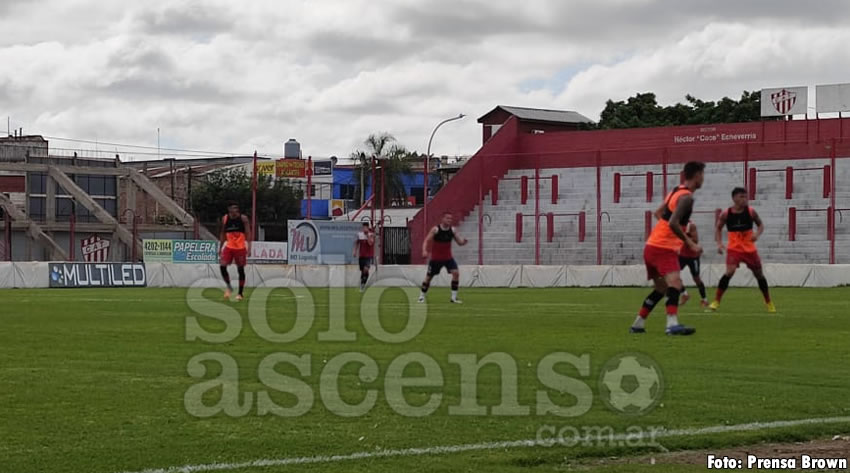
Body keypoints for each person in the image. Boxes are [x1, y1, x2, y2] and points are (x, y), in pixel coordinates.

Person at [630, 161, 705, 335]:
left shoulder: (675, 191)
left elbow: (658, 214)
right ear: (696, 175)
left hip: (651, 245)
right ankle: (671, 325)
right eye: (702, 175)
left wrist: (666, 233)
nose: (703, 179)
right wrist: (690, 243)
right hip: (663, 248)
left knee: (662, 289)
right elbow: (673, 223)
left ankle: (638, 324)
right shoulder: (687, 198)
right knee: (675, 284)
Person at [709, 188, 776, 313]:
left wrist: (757, 234)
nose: (744, 199)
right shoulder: (726, 214)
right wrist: (719, 244)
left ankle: (768, 302)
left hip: (749, 249)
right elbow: (718, 228)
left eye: (746, 197)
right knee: (729, 272)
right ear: (734, 198)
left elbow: (760, 225)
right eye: (741, 197)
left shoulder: (751, 212)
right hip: (734, 248)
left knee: (759, 275)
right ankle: (716, 301)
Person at [419, 212, 468, 304]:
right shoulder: (435, 229)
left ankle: (453, 298)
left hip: (448, 258)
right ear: (442, 219)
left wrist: (463, 242)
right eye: (447, 218)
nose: (449, 220)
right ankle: (421, 296)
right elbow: (426, 240)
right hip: (436, 259)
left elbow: (459, 242)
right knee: (428, 278)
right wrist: (424, 251)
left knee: (456, 273)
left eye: (450, 219)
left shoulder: (453, 230)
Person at [219, 203, 251, 301]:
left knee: (240, 269)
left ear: (237, 211)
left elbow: (248, 233)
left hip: (240, 248)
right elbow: (222, 233)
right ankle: (229, 287)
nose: (232, 214)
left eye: (233, 211)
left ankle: (240, 293)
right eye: (230, 211)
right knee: (222, 266)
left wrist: (249, 247)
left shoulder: (243, 219)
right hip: (229, 246)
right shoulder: (225, 218)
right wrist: (220, 247)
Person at [678, 220, 708, 307]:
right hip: (682, 255)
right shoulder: (676, 224)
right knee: (673, 275)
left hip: (693, 256)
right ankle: (684, 294)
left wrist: (685, 236)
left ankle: (704, 300)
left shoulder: (690, 225)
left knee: (696, 279)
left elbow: (695, 240)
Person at [353, 222, 375, 292]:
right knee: (363, 271)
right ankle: (362, 283)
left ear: (368, 228)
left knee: (366, 269)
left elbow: (370, 243)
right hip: (361, 255)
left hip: (368, 256)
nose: (365, 229)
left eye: (366, 227)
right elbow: (356, 243)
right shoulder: (359, 235)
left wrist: (367, 236)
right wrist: (355, 251)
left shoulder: (371, 234)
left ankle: (362, 285)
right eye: (363, 227)